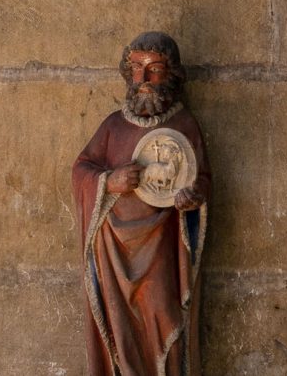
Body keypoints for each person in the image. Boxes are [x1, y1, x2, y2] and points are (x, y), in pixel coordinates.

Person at [72, 31, 210, 376]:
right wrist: (109, 181)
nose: (144, 79)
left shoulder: (184, 125)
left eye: (155, 69)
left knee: (163, 316)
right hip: (115, 254)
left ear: (172, 75)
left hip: (162, 252)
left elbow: (202, 180)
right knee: (120, 332)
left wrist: (193, 198)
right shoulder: (113, 127)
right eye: (136, 69)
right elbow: (81, 170)